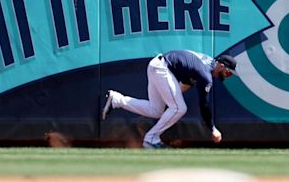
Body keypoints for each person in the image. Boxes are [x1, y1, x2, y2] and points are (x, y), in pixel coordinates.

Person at [101, 50, 237, 149]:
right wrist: (212, 128)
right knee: (179, 108)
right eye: (229, 72)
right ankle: (151, 139)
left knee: (156, 110)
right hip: (162, 68)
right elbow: (204, 105)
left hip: (158, 66)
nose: (228, 76)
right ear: (222, 66)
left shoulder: (208, 64)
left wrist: (171, 100)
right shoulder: (205, 74)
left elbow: (186, 81)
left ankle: (116, 99)